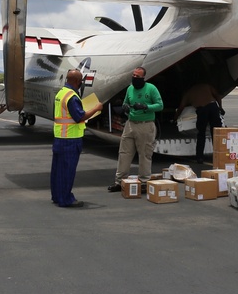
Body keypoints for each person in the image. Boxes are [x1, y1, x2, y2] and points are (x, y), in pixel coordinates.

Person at [51, 69, 102, 208]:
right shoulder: (72, 97)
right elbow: (80, 116)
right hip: (70, 139)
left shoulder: (61, 93)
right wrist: (96, 108)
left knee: (58, 170)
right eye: (80, 81)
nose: (81, 84)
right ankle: (66, 199)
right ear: (75, 81)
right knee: (67, 171)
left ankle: (57, 196)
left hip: (60, 137)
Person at [108, 67, 163, 192]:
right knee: (124, 153)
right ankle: (119, 181)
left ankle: (144, 181)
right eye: (133, 75)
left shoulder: (151, 89)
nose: (134, 78)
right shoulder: (130, 88)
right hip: (130, 124)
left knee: (144, 154)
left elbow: (160, 105)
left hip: (145, 124)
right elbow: (125, 103)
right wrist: (125, 107)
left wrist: (145, 106)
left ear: (143, 78)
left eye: (137, 76)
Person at [177, 82, 224, 163]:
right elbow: (217, 95)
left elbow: (181, 107)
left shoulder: (188, 93)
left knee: (201, 134)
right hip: (213, 107)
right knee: (216, 133)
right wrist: (220, 107)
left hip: (202, 110)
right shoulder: (206, 85)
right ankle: (219, 155)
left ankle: (199, 157)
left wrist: (175, 118)